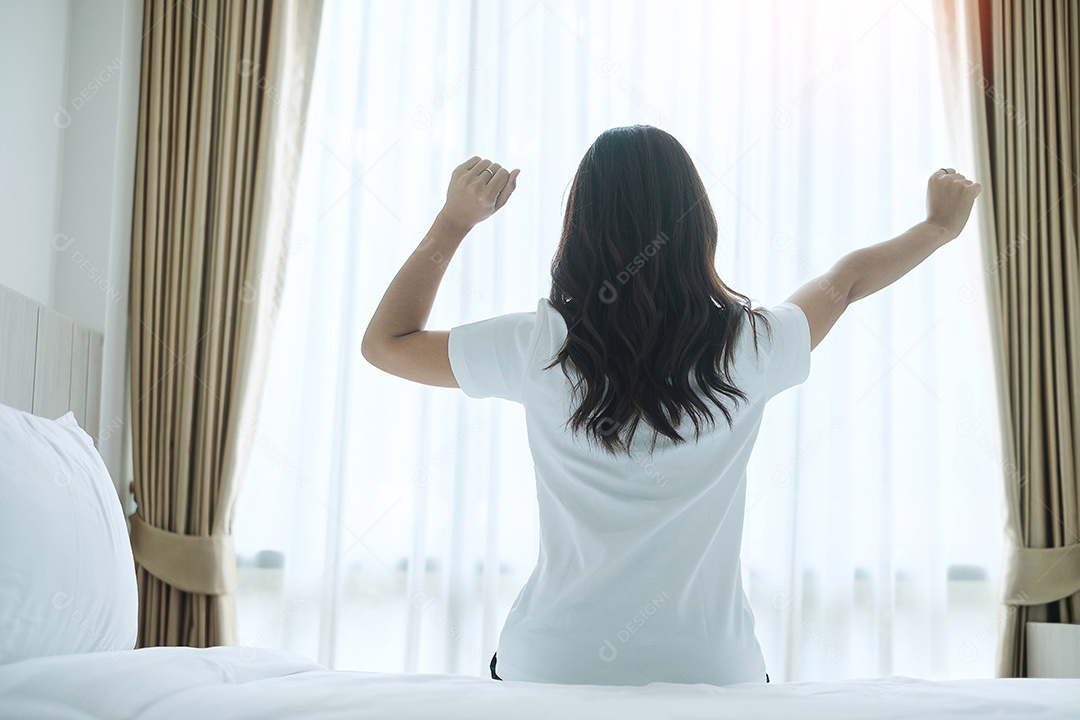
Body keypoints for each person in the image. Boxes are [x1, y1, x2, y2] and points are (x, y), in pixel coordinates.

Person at [361, 125, 981, 686]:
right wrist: (937, 229)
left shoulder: (537, 346)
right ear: (697, 224)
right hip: (712, 669)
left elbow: (386, 344)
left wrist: (455, 220)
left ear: (580, 229)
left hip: (554, 665)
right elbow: (844, 282)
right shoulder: (752, 344)